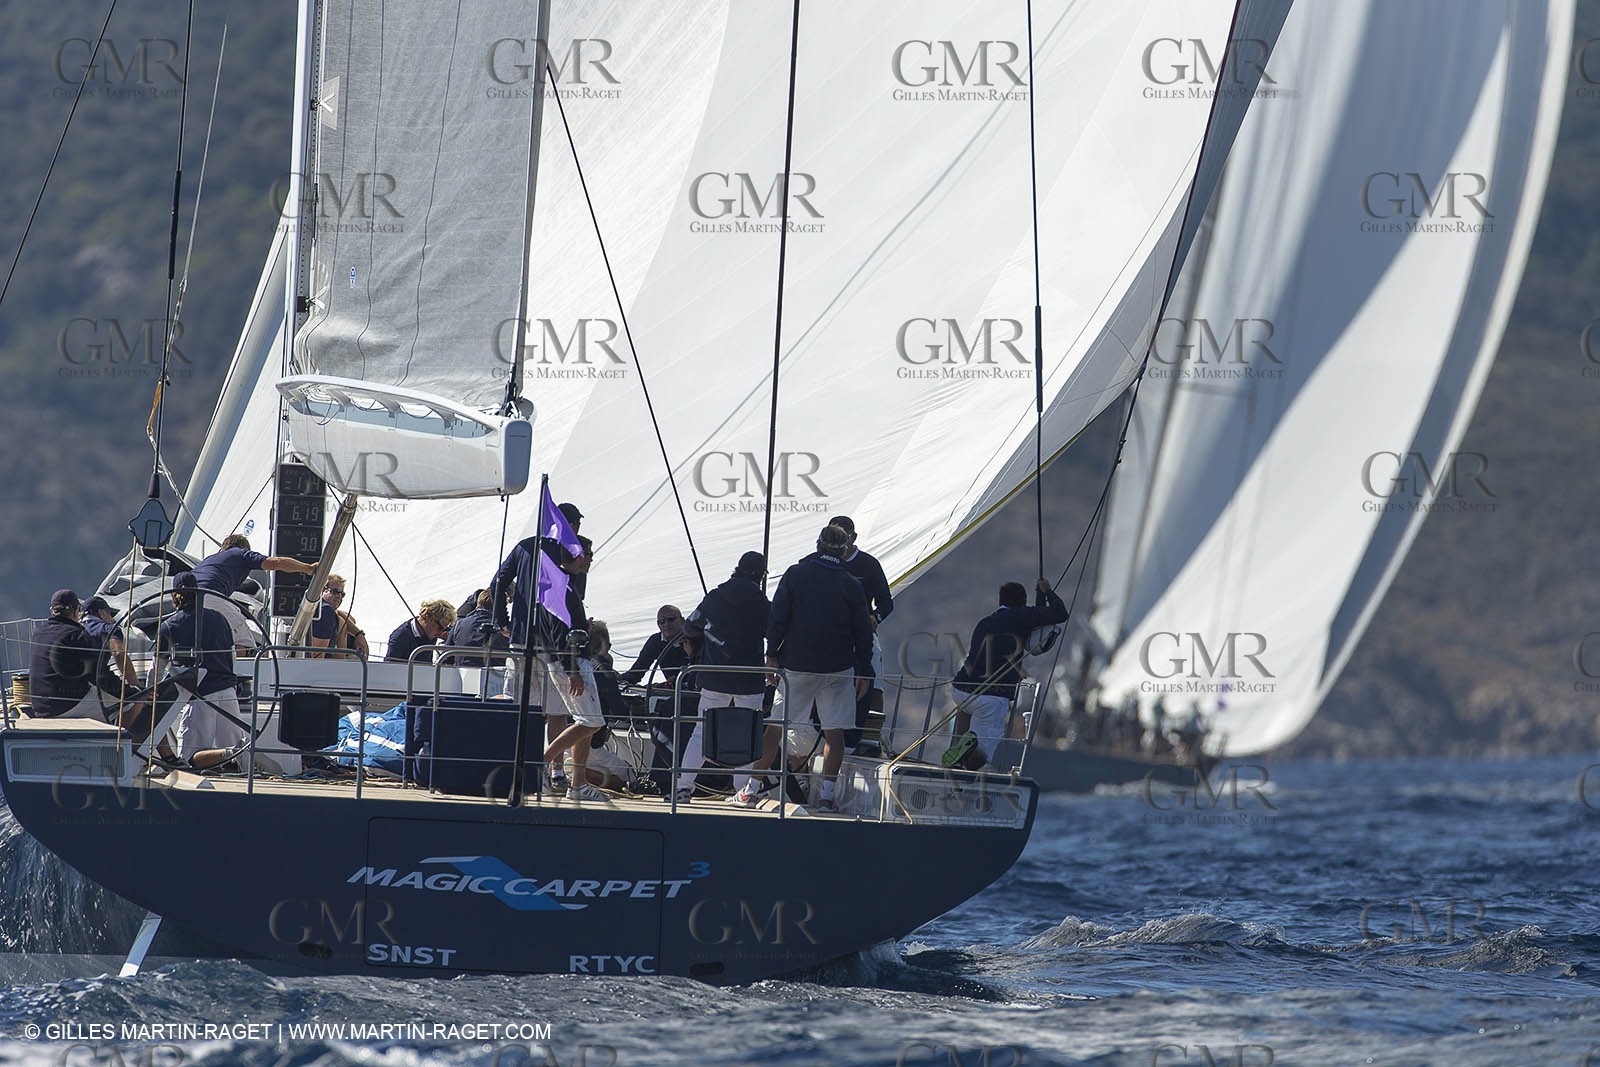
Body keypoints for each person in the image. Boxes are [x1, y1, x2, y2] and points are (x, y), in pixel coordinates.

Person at [490, 507, 604, 801]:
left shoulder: (527, 546)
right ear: (570, 524)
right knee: (559, 712)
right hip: (556, 649)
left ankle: (520, 769)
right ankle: (552, 770)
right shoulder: (573, 553)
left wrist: (501, 620)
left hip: (522, 640)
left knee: (522, 710)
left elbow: (499, 581)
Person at [764, 524, 872, 812]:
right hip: (839, 668)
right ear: (845, 550)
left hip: (798, 665)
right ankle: (826, 796)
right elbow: (863, 632)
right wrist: (865, 670)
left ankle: (749, 789)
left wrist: (771, 655)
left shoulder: (796, 574)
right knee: (833, 732)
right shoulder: (852, 583)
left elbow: (778, 616)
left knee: (776, 724)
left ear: (818, 545)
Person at [676, 551, 770, 804]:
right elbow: (773, 632)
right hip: (749, 679)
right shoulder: (761, 602)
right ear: (761, 576)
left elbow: (689, 627)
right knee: (747, 734)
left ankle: (683, 788)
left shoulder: (715, 596)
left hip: (713, 677)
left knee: (700, 731)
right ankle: (743, 792)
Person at [950, 578, 1068, 766]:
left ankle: (958, 747)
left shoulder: (985, 622)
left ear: (1001, 601)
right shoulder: (1020, 617)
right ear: (1022, 602)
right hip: (990, 697)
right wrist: (1047, 591)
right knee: (982, 757)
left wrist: (1039, 597)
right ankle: (968, 761)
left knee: (965, 709)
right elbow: (1060, 613)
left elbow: (992, 654)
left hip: (960, 691)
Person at [145, 574, 247, 770]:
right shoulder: (219, 619)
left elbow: (156, 669)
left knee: (191, 760)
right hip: (227, 694)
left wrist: (150, 694)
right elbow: (231, 656)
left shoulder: (169, 626)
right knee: (237, 754)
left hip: (197, 698)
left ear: (175, 595)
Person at [828, 515, 893, 753]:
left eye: (844, 538)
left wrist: (875, 618)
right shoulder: (818, 563)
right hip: (829, 636)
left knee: (874, 684)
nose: (840, 544)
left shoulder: (868, 564)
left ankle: (871, 739)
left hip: (863, 635)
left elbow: (886, 602)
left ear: (854, 538)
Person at [190, 534, 317, 655]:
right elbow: (276, 562)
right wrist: (308, 568)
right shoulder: (240, 553)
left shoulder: (208, 560)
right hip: (210, 595)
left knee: (206, 636)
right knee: (244, 641)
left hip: (187, 599)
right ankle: (240, 673)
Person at [27, 590, 124, 720]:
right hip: (65, 706)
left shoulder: (38, 633)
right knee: (127, 704)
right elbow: (99, 675)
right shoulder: (77, 635)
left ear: (52, 610)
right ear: (75, 611)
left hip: (40, 707)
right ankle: (118, 739)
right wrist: (129, 692)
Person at [81, 596, 142, 697]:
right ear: (101, 613)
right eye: (110, 614)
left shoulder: (73, 631)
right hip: (99, 682)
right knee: (141, 697)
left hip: (74, 686)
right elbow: (119, 654)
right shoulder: (109, 629)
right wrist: (136, 685)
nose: (113, 619)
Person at [308, 575, 370, 660]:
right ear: (323, 590)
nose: (339, 596)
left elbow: (340, 613)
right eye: (334, 592)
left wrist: (358, 634)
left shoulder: (322, 609)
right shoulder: (325, 612)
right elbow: (317, 656)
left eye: (342, 594)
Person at [446, 589, 510, 668]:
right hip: (497, 676)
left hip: (462, 675)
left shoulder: (459, 625)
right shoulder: (506, 630)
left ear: (478, 604)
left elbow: (447, 657)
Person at [384, 600, 456, 663]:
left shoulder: (430, 633)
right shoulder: (400, 636)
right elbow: (389, 669)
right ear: (429, 619)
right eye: (440, 628)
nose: (440, 633)